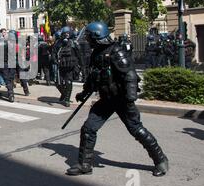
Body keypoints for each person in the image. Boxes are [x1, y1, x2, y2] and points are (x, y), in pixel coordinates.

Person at [68, 22, 169, 177]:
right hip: (106, 99)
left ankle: (160, 160)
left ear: (96, 36)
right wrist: (84, 92)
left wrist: (130, 98)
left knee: (137, 130)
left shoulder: (116, 51)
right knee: (88, 129)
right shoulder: (96, 53)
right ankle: (84, 164)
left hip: (122, 99)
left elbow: (130, 75)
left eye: (89, 36)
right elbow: (93, 77)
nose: (87, 39)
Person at [52, 26, 81, 107]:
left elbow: (79, 55)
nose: (66, 35)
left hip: (71, 66)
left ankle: (67, 99)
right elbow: (54, 52)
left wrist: (80, 66)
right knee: (57, 83)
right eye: (64, 33)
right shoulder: (58, 42)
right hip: (60, 66)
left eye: (67, 33)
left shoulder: (73, 42)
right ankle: (64, 94)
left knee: (68, 82)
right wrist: (54, 60)